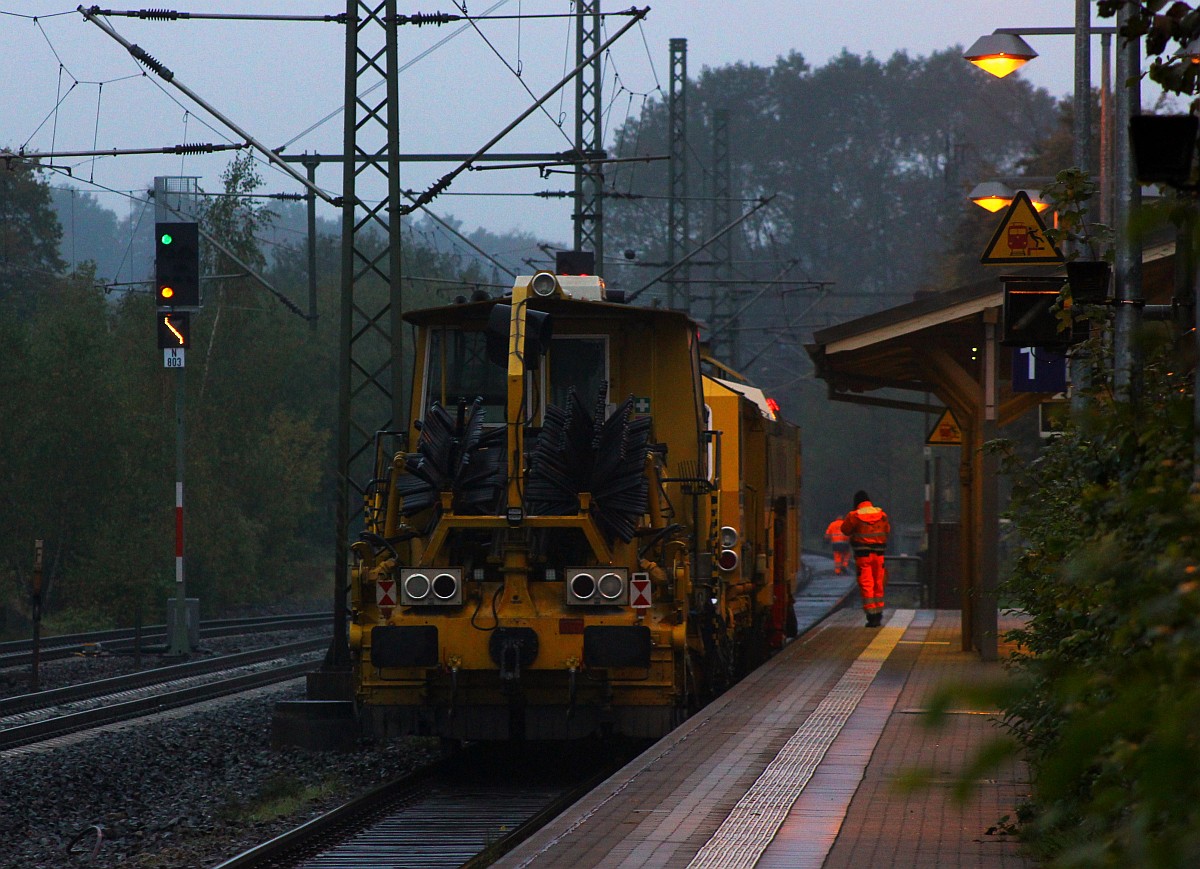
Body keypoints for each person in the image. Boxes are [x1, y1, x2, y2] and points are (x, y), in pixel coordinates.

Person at [841, 489, 890, 627]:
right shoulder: (881, 514)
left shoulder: (854, 516)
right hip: (879, 555)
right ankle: (879, 613)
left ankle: (871, 615)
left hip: (863, 557)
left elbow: (845, 530)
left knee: (867, 584)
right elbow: (887, 530)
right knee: (878, 583)